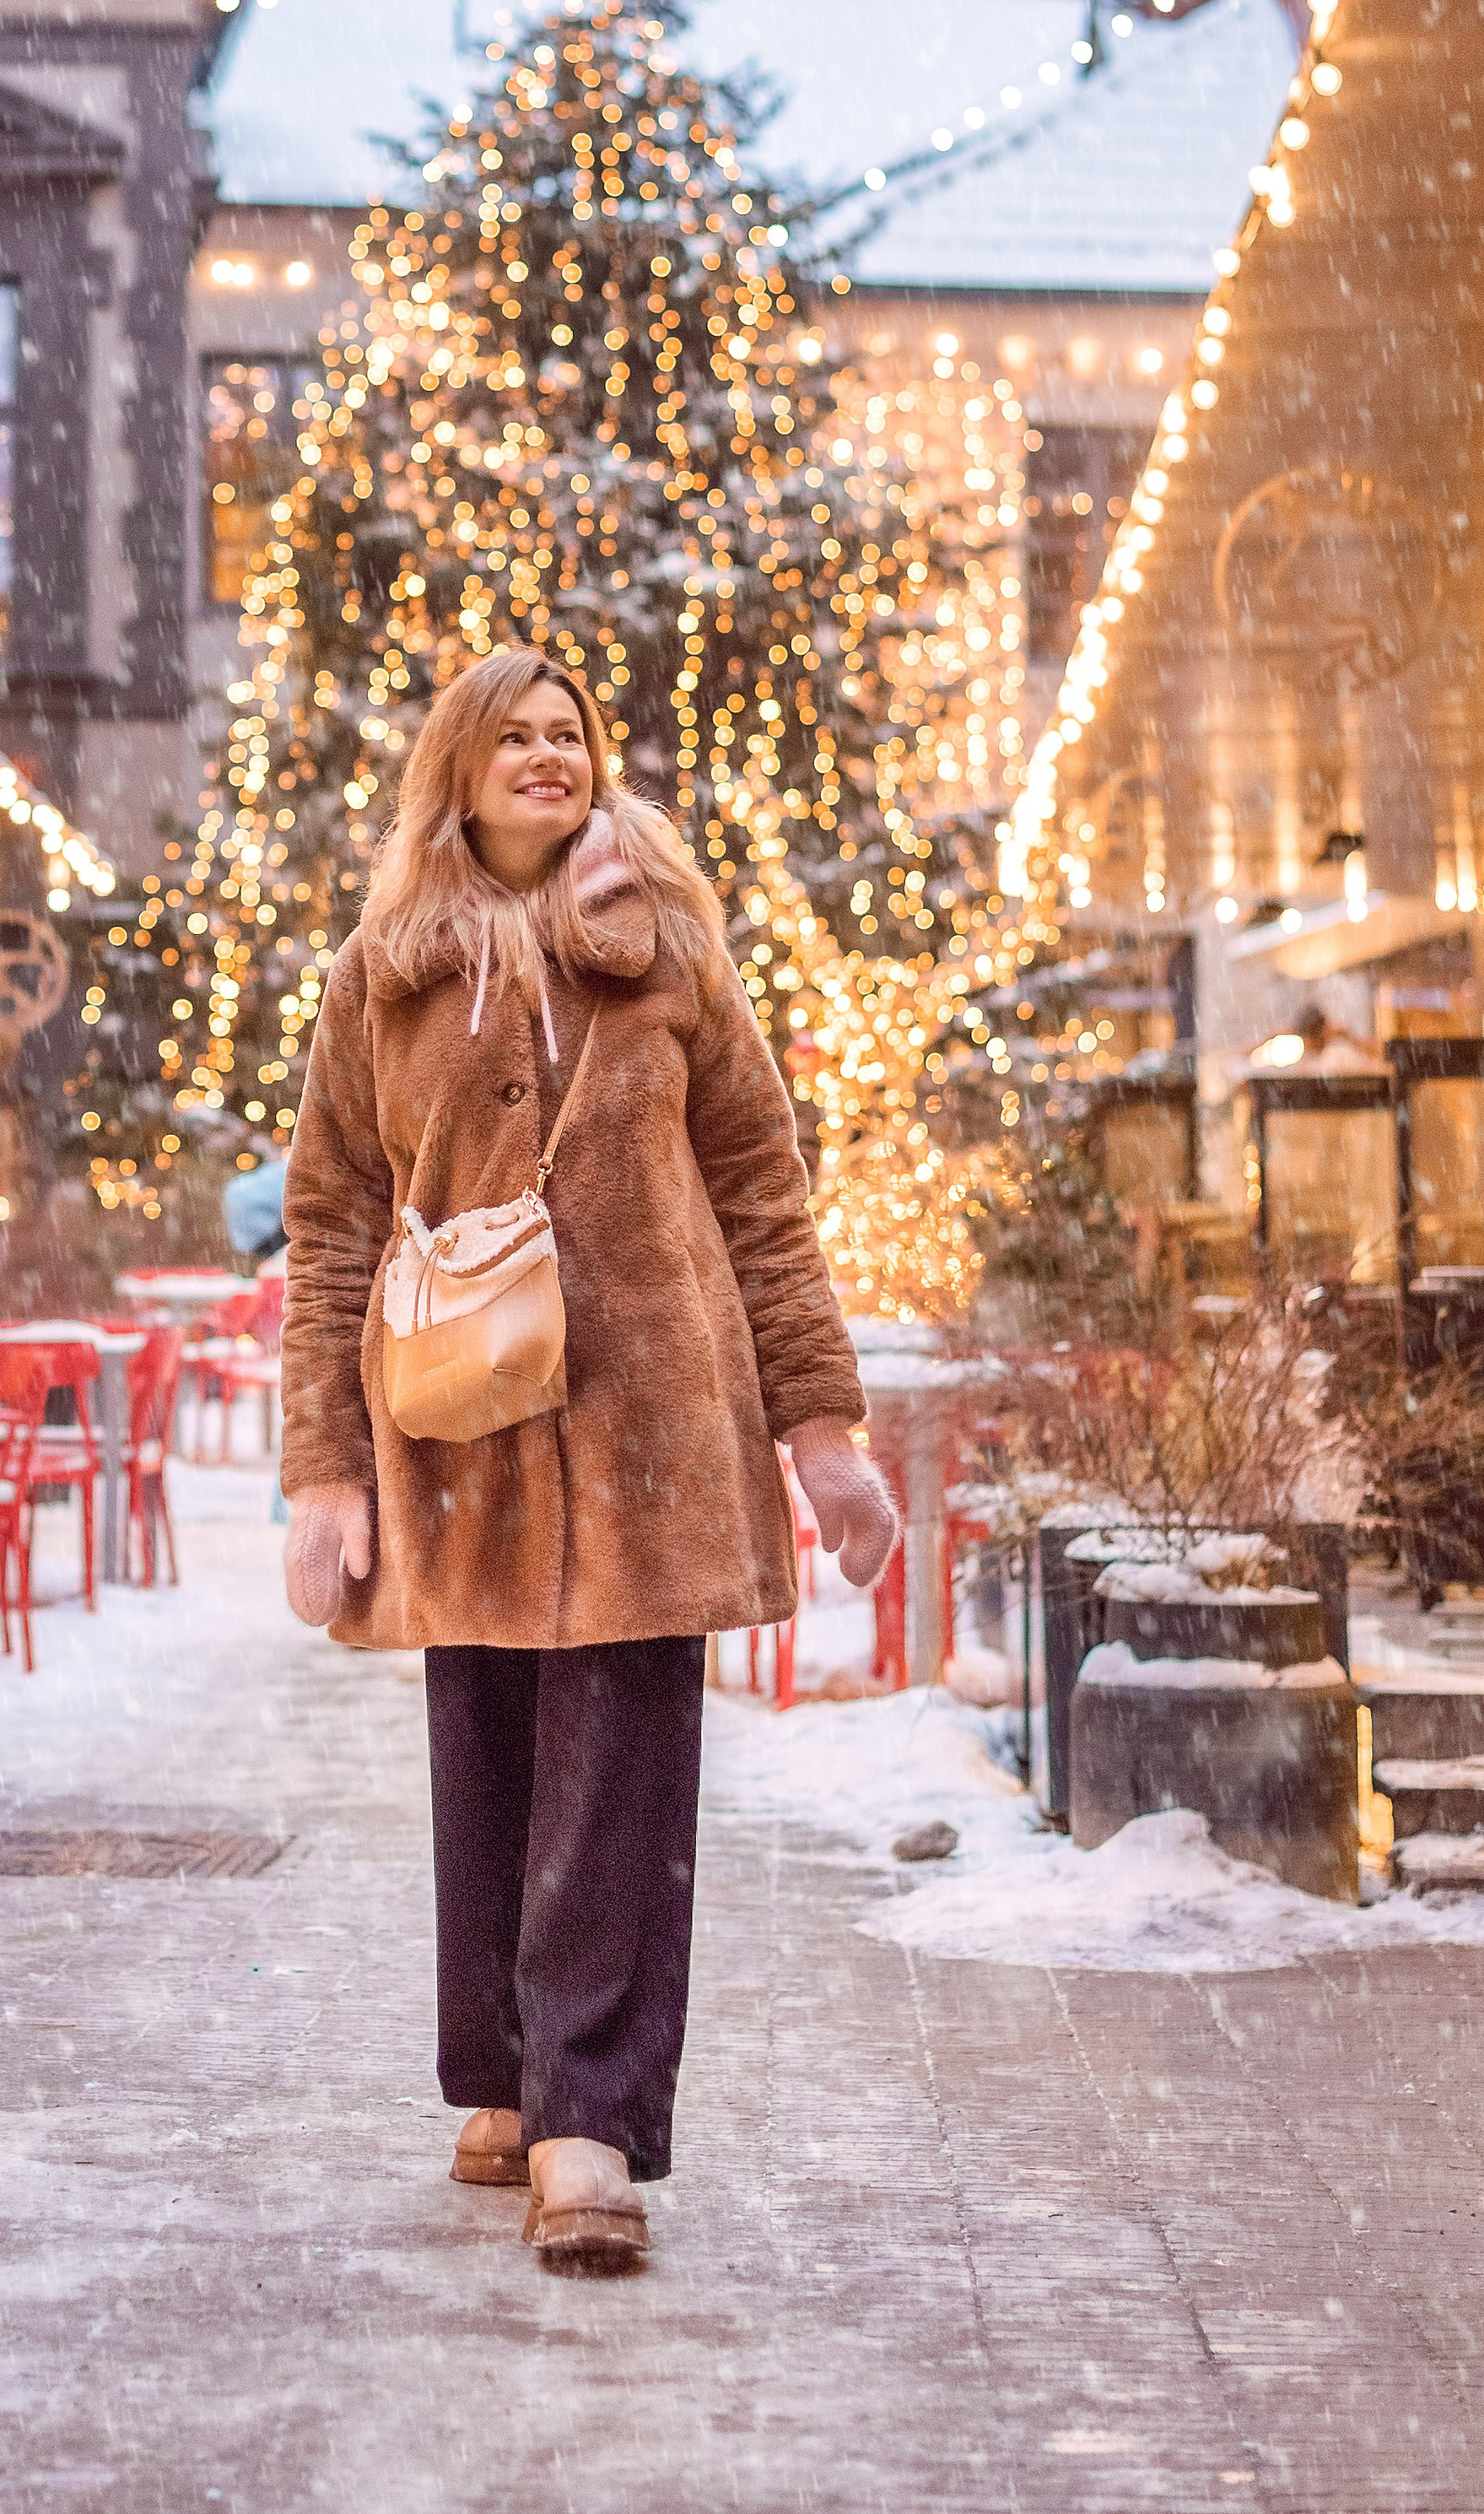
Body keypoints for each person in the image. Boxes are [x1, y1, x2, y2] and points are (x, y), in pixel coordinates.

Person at [279, 646, 896, 2273]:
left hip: (651, 1432)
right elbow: (333, 1218)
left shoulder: (671, 949)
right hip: (459, 1430)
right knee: (481, 1749)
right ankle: (498, 2068)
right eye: (515, 738)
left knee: (622, 1769)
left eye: (571, 735)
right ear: (461, 773)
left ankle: (587, 2123)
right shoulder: (381, 973)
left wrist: (819, 1428)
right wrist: (323, 1473)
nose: (547, 757)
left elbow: (764, 1185)